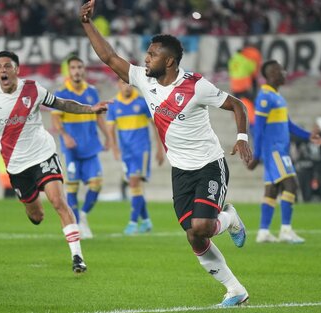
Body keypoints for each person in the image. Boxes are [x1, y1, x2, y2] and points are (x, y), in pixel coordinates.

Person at [80, 0, 252, 307]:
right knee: (195, 236)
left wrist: (241, 137)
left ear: (169, 61)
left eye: (152, 54)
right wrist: (87, 24)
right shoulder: (145, 80)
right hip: (180, 171)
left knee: (201, 227)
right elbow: (108, 57)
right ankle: (235, 289)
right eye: (147, 54)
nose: (145, 59)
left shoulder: (197, 86)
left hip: (209, 165)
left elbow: (237, 105)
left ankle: (230, 218)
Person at [0, 50, 108, 273]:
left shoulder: (33, 89)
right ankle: (36, 203)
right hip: (17, 166)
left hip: (43, 154)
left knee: (59, 201)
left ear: (16, 69)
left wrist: (90, 110)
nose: (3, 70)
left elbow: (61, 104)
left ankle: (77, 257)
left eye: (7, 66)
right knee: (36, 216)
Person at [248, 60, 321, 244]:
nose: (284, 72)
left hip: (280, 149)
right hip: (274, 150)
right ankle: (286, 231)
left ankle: (264, 232)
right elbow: (258, 128)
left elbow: (288, 125)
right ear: (271, 74)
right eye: (279, 70)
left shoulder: (277, 97)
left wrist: (308, 136)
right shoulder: (265, 97)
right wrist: (257, 155)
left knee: (272, 189)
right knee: (291, 185)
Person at [51, 55, 111, 240]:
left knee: (96, 185)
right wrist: (65, 136)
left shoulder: (92, 92)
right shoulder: (61, 93)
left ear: (83, 70)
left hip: (91, 147)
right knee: (72, 189)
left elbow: (99, 117)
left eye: (79, 67)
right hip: (71, 149)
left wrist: (108, 136)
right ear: (69, 71)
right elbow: (55, 119)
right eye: (74, 68)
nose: (77, 71)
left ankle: (83, 216)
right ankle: (76, 224)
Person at [107, 78, 165, 235]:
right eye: (122, 83)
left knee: (134, 183)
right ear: (117, 85)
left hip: (142, 149)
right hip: (126, 152)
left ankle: (133, 222)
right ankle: (146, 221)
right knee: (136, 186)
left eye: (128, 83)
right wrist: (114, 148)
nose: (126, 86)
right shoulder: (114, 104)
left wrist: (160, 148)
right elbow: (110, 129)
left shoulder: (142, 101)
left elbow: (156, 125)